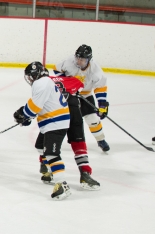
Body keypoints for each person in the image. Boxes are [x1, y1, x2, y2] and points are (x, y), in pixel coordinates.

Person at [35, 63, 100, 191]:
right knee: (78, 142)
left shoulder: (44, 84)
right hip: (74, 110)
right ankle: (85, 173)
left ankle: (46, 165)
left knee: (44, 142)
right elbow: (80, 85)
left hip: (55, 114)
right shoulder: (70, 79)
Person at [13, 61, 71, 200]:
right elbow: (38, 106)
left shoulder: (42, 83)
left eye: (31, 76)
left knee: (51, 153)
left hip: (55, 123)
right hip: (52, 121)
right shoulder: (46, 82)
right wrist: (27, 116)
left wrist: (22, 114)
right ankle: (51, 171)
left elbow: (34, 107)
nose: (30, 79)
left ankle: (61, 184)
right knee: (40, 146)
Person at [54, 44, 110, 152]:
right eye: (77, 58)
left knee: (92, 119)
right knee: (63, 119)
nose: (79, 61)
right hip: (69, 94)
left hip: (85, 94)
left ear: (89, 59)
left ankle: (101, 140)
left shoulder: (95, 70)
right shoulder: (69, 62)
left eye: (82, 60)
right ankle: (55, 142)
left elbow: (100, 87)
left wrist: (102, 104)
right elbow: (56, 69)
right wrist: (66, 81)